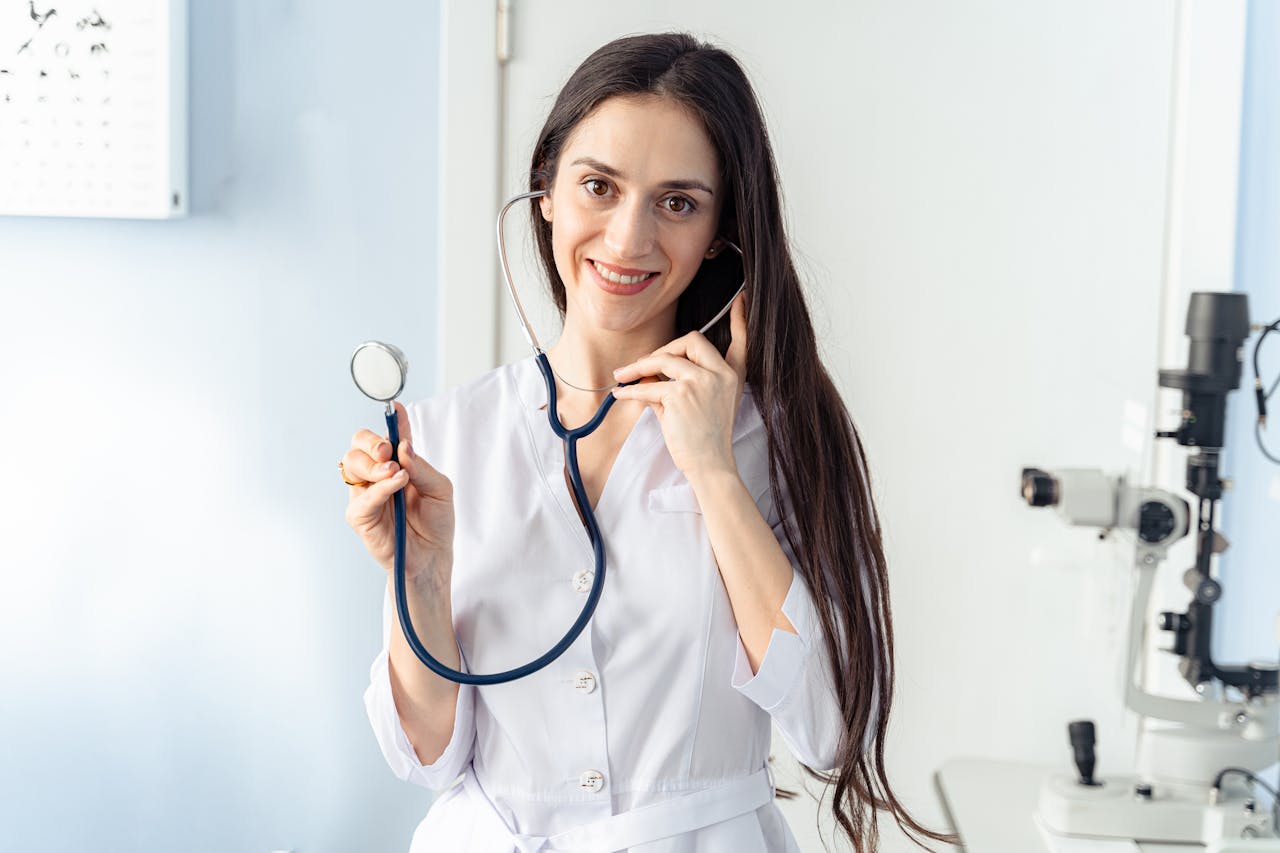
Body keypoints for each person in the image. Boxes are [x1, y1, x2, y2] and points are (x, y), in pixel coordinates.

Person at [342, 32, 951, 853]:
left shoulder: (771, 434)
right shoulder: (449, 435)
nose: (628, 239)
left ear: (720, 232)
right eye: (599, 186)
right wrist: (417, 572)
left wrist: (713, 471)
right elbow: (425, 753)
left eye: (677, 202)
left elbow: (831, 728)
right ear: (546, 189)